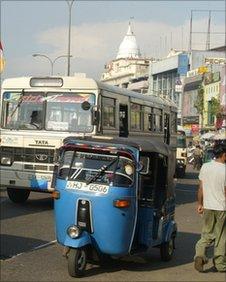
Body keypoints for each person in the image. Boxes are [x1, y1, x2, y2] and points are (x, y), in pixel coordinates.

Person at [194, 143, 226, 273]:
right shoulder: (225, 170)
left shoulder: (205, 167)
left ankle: (200, 256)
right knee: (221, 237)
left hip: (207, 206)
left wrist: (200, 204)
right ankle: (220, 265)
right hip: (222, 208)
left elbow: (201, 188)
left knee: (207, 233)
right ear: (224, 155)